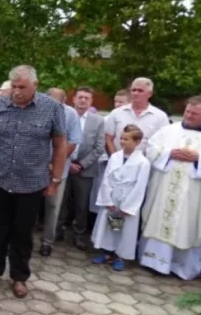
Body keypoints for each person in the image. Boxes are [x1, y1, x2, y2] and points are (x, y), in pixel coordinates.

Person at [0, 65, 66, 298]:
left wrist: (55, 179)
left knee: (22, 233)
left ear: (35, 86)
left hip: (31, 183)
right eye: (14, 86)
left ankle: (19, 276)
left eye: (22, 87)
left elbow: (59, 146)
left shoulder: (52, 108)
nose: (16, 91)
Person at [138, 96, 201, 280]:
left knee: (188, 226)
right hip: (164, 191)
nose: (189, 115)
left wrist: (200, 159)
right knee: (160, 219)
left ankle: (181, 267)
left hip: (194, 196)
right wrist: (169, 153)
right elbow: (150, 150)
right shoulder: (169, 131)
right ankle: (154, 262)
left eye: (195, 113)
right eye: (187, 111)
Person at [92, 125, 150, 271]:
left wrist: (127, 207)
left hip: (127, 198)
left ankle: (120, 256)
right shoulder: (115, 157)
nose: (123, 142)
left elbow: (140, 187)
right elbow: (107, 178)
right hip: (112, 195)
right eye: (121, 138)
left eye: (127, 139)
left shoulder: (143, 162)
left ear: (137, 141)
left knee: (125, 229)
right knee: (108, 226)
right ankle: (106, 253)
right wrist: (108, 200)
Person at [57, 86, 105, 250]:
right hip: (63, 166)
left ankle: (79, 234)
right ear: (74, 99)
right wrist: (67, 164)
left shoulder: (98, 121)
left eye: (87, 98)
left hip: (85, 169)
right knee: (61, 201)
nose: (83, 100)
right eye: (80, 97)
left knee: (81, 204)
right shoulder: (64, 116)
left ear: (91, 101)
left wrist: (81, 164)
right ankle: (57, 231)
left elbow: (99, 148)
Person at [40, 88, 82, 257]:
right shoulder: (38, 110)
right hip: (35, 168)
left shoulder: (71, 115)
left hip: (59, 170)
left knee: (53, 206)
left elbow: (72, 142)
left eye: (59, 103)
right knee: (28, 206)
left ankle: (46, 242)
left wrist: (54, 162)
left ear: (64, 101)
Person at [90, 89, 131, 214]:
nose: (118, 104)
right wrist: (114, 156)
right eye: (116, 101)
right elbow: (106, 138)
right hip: (109, 159)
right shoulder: (109, 117)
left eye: (121, 102)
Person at [104, 77, 169, 156]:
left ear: (150, 94)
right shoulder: (116, 113)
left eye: (140, 90)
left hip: (146, 164)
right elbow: (108, 138)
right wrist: (115, 158)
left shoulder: (160, 117)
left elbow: (165, 142)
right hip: (118, 161)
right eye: (133, 90)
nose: (135, 93)